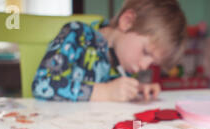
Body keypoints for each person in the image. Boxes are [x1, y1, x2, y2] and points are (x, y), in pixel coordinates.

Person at [32, 0, 187, 102]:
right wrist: (106, 93)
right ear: (127, 22)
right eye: (146, 52)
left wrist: (135, 89)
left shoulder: (123, 61)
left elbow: (113, 87)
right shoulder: (77, 34)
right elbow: (41, 85)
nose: (144, 65)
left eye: (153, 62)